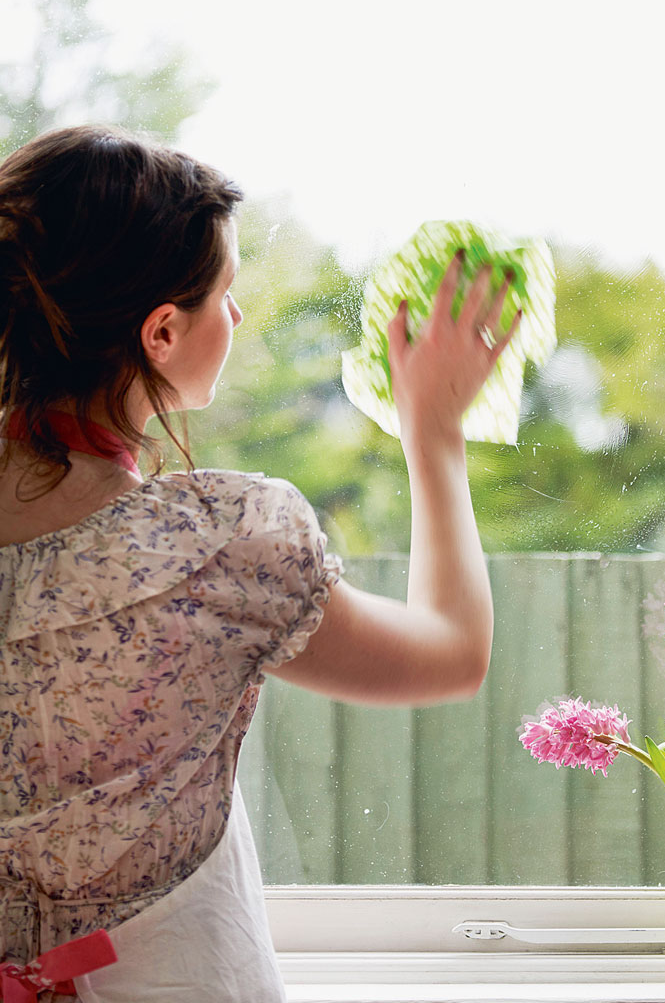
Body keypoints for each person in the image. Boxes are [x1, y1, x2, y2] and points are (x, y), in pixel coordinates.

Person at [0, 124, 519, 1002]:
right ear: (160, 332)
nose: (236, 317)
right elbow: (453, 653)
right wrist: (433, 432)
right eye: (226, 294)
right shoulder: (215, 546)